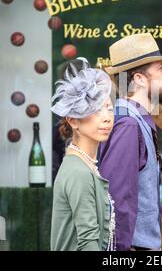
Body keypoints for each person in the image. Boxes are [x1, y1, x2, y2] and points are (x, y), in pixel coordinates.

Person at [98, 33, 162, 251]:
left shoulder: (134, 120)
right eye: (160, 68)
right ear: (139, 79)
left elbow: (133, 194)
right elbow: (116, 202)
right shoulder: (128, 125)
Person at [50, 57, 116, 251]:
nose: (106, 118)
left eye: (109, 109)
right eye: (95, 111)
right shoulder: (79, 172)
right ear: (73, 121)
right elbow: (88, 243)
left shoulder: (85, 165)